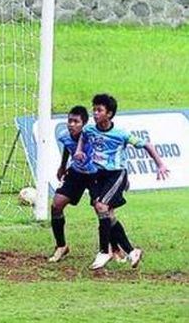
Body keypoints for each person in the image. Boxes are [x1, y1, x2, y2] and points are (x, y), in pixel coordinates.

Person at [74, 94, 169, 269]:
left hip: (115, 174)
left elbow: (147, 145)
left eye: (99, 110)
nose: (95, 113)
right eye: (94, 109)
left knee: (101, 207)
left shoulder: (121, 134)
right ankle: (131, 251)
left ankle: (104, 251)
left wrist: (160, 164)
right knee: (106, 214)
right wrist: (79, 150)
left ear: (109, 114)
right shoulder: (89, 130)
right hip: (98, 175)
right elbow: (83, 138)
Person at [49, 106, 126, 263]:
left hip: (95, 175)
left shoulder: (93, 136)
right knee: (56, 205)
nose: (71, 124)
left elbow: (113, 153)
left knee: (104, 212)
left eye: (76, 121)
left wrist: (121, 176)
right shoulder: (65, 136)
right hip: (76, 174)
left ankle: (116, 249)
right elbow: (68, 148)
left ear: (84, 124)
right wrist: (62, 166)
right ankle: (61, 246)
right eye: (69, 121)